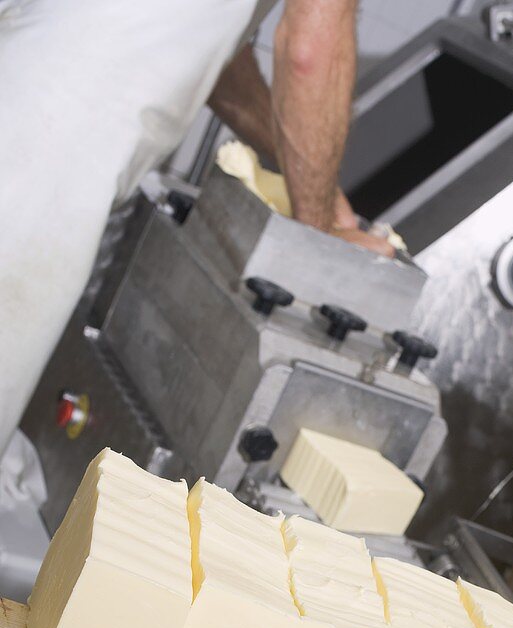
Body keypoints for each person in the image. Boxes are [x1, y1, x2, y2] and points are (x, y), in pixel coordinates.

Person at [0, 0, 393, 460]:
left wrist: (305, 176)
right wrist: (322, 233)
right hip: (45, 137)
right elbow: (311, 51)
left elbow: (219, 57)